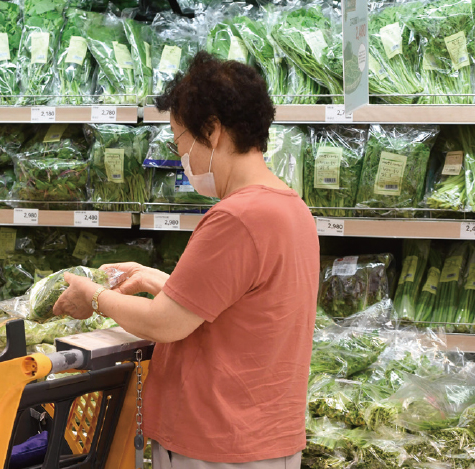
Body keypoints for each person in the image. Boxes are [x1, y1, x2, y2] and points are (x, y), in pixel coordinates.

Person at [53, 51, 320, 469]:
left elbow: (166, 323)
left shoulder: (237, 217)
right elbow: (241, 307)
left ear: (211, 132)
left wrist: (93, 297)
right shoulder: (291, 208)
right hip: (264, 435)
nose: (182, 158)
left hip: (216, 440)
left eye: (180, 142)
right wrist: (154, 278)